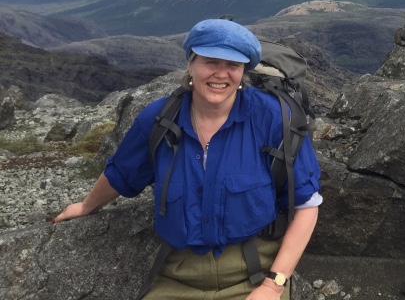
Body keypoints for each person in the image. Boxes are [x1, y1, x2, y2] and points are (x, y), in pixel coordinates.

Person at [54, 18, 322, 300]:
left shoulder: (272, 118)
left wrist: (273, 285)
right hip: (176, 275)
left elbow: (307, 205)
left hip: (254, 270)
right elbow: (122, 174)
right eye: (210, 62)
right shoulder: (159, 119)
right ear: (191, 64)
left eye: (233, 65)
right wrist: (86, 206)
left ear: (243, 71)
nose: (221, 74)